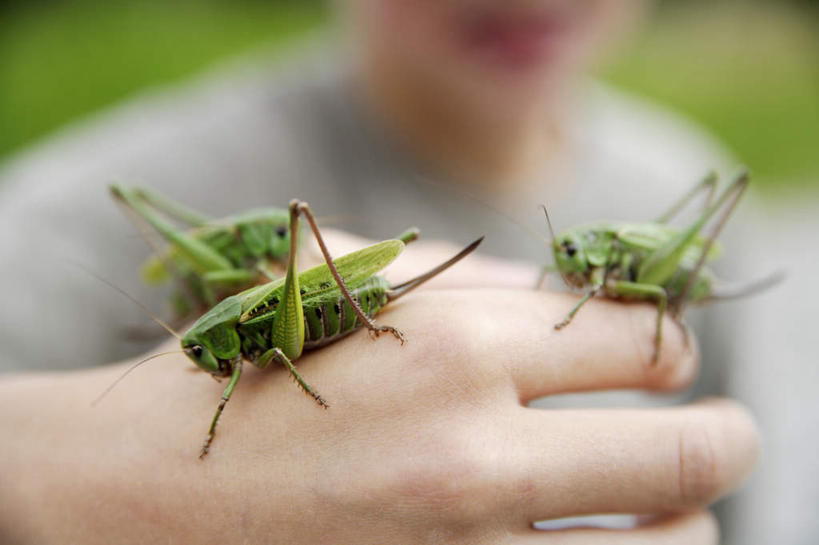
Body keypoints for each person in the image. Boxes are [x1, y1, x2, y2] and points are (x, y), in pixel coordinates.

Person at [0, 1, 760, 543]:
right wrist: (42, 469)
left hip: (336, 300)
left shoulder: (678, 169)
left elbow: (740, 503)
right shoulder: (67, 211)